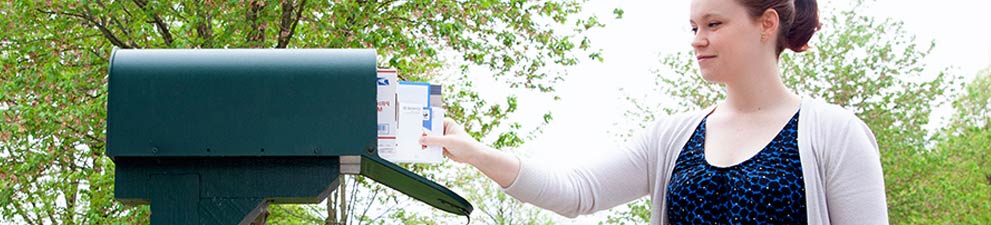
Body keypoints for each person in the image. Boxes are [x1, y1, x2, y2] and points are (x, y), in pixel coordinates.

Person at [420, 0, 889, 224]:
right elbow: (577, 192)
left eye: (714, 24)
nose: (697, 40)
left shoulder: (834, 134)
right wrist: (476, 153)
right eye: (692, 27)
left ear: (766, 24)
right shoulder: (673, 137)